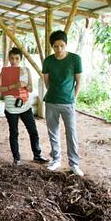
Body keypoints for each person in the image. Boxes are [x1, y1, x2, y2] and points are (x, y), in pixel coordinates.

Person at [42, 30, 84, 176]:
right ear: (52, 46)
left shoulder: (75, 59)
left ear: (66, 44)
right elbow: (46, 81)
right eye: (56, 46)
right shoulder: (48, 61)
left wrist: (74, 97)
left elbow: (78, 81)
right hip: (51, 101)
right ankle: (56, 159)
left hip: (68, 102)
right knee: (53, 131)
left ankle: (74, 163)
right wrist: (53, 93)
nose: (59, 49)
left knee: (71, 132)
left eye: (62, 45)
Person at [0, 47, 46, 166]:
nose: (14, 61)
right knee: (14, 133)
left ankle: (37, 155)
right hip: (11, 108)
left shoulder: (25, 70)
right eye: (12, 58)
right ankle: (16, 158)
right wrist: (12, 87)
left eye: (17, 58)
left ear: (21, 59)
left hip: (25, 105)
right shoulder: (5, 71)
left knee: (33, 131)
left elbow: (31, 88)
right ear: (9, 58)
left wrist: (25, 86)